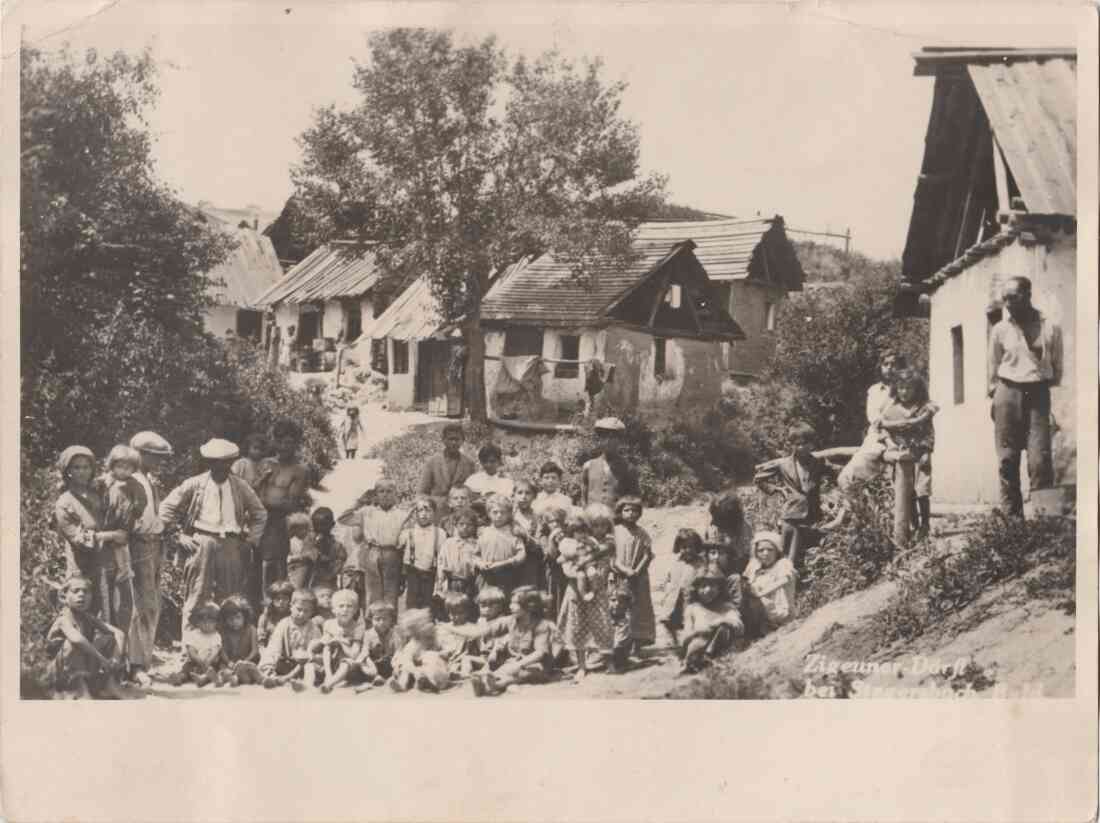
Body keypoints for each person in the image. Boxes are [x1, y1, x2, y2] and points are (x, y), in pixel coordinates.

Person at [160, 438, 267, 628]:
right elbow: (166, 509)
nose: (221, 467)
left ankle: (222, 647)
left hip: (231, 543)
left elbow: (259, 513)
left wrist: (251, 540)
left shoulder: (239, 486)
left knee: (229, 597)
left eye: (226, 462)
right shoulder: (195, 484)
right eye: (216, 462)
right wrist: (178, 535)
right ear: (209, 462)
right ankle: (190, 646)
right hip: (202, 542)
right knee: (197, 593)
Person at [988, 276, 1063, 516]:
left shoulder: (1049, 326)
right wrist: (996, 397)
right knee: (1007, 460)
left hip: (1038, 395)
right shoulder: (1000, 329)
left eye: (1014, 297)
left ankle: (1044, 522)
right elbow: (992, 366)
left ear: (1028, 294)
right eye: (1005, 298)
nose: (1008, 303)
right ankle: (1013, 524)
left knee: (1040, 460)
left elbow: (1057, 366)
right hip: (1007, 393)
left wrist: (1046, 392)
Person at [54, 446, 132, 632]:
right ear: (67, 471)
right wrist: (112, 535)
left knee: (111, 615)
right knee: (83, 618)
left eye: (86, 467)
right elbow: (80, 540)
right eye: (76, 467)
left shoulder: (98, 493)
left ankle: (111, 658)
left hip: (108, 566)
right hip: (83, 570)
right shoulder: (65, 503)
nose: (82, 472)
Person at [127, 430, 173, 687]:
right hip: (139, 545)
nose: (160, 462)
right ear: (141, 454)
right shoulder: (131, 479)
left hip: (154, 545)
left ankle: (143, 659)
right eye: (156, 456)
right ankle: (135, 664)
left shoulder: (148, 480)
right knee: (139, 605)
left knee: (151, 603)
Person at [755, 422, 827, 573]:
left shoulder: (818, 462)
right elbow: (759, 479)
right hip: (791, 516)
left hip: (813, 515)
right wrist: (777, 489)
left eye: (804, 444)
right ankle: (786, 581)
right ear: (791, 445)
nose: (800, 448)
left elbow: (836, 472)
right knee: (789, 559)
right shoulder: (783, 464)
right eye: (797, 444)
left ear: (811, 444)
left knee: (814, 555)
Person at [837, 351, 907, 498]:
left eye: (894, 364)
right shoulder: (875, 390)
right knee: (846, 478)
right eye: (885, 364)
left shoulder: (907, 389)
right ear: (880, 367)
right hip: (877, 439)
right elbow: (874, 418)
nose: (889, 368)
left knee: (904, 487)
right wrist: (886, 437)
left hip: (900, 438)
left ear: (900, 367)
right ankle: (858, 511)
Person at [45, 575, 127, 699]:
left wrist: (115, 659)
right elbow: (77, 640)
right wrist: (103, 660)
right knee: (74, 643)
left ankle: (109, 684)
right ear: (64, 597)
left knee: (109, 639)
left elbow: (119, 633)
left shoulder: (87, 617)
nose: (81, 595)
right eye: (76, 591)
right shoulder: (63, 619)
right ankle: (77, 688)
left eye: (86, 592)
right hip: (58, 673)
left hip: (82, 668)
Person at [557, 505, 614, 683]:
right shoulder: (573, 543)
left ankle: (608, 660)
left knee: (603, 624)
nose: (599, 529)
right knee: (577, 625)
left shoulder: (605, 544)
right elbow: (562, 559)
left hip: (598, 590)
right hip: (576, 589)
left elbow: (603, 560)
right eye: (595, 526)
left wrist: (585, 561)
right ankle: (582, 665)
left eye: (603, 525)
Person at [254, 420, 309, 605]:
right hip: (257, 522)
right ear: (275, 442)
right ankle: (258, 612)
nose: (285, 446)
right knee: (254, 565)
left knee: (273, 566)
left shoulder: (299, 470)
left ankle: (274, 607)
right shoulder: (265, 464)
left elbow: (290, 504)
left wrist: (261, 502)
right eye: (281, 441)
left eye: (290, 442)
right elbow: (250, 491)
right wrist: (262, 480)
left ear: (296, 444)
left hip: (277, 525)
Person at [878, 370, 939, 537]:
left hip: (919, 453)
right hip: (902, 456)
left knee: (922, 490)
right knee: (907, 491)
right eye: (901, 388)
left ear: (917, 389)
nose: (904, 392)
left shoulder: (921, 408)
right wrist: (890, 444)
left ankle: (925, 524)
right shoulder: (892, 411)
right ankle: (914, 524)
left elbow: (928, 432)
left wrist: (927, 450)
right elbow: (881, 429)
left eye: (909, 388)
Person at [466, 587, 557, 696]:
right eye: (511, 603)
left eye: (515, 604)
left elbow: (539, 653)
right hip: (513, 662)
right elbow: (484, 631)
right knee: (506, 669)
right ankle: (490, 684)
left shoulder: (541, 625)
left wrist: (519, 665)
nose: (510, 607)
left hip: (535, 665)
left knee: (518, 672)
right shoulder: (510, 620)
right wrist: (454, 629)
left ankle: (495, 685)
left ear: (528, 607)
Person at [349, 478, 409, 609]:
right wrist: (358, 504)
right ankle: (372, 625)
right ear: (375, 494)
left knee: (390, 593)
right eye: (381, 491)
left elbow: (405, 540)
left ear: (395, 494)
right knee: (372, 593)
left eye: (389, 491)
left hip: (392, 553)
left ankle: (390, 625)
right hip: (373, 552)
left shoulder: (402, 515)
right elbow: (344, 519)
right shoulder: (367, 512)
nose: (385, 494)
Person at [95, 444, 147, 589]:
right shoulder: (108, 479)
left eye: (128, 468)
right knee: (110, 541)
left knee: (121, 542)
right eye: (120, 466)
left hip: (124, 517)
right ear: (112, 465)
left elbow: (141, 499)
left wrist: (136, 510)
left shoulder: (133, 484)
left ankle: (124, 569)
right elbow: (98, 486)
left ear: (133, 469)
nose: (123, 471)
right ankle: (117, 568)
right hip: (109, 515)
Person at [679, 562, 745, 674]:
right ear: (696, 589)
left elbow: (739, 626)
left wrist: (724, 621)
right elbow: (685, 637)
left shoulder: (726, 607)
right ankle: (692, 663)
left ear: (720, 589)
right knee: (698, 642)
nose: (708, 590)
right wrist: (700, 631)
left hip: (722, 647)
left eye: (713, 586)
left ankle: (710, 657)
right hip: (698, 645)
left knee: (723, 628)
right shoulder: (692, 608)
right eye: (703, 586)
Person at [611, 496, 656, 652]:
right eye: (627, 510)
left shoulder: (642, 533)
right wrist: (624, 570)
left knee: (639, 609)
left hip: (639, 577)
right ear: (620, 512)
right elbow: (611, 556)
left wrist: (637, 570)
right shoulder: (615, 531)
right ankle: (621, 644)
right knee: (620, 608)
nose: (631, 513)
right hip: (620, 576)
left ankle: (638, 645)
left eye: (634, 510)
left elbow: (648, 554)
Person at [259, 588, 324, 690]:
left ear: (312, 612)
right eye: (299, 609)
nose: (301, 614)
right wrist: (273, 659)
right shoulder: (284, 624)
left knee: (311, 667)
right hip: (287, 663)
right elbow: (275, 646)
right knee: (269, 656)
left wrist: (311, 655)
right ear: (291, 606)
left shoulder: (313, 628)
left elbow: (319, 649)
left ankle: (305, 684)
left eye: (306, 611)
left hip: (305, 665)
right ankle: (271, 677)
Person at [742, 531, 797, 635]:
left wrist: (760, 594)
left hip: (781, 612)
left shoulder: (783, 563)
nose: (765, 553)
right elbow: (745, 583)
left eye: (770, 549)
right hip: (759, 610)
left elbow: (785, 580)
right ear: (756, 553)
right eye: (761, 550)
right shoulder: (754, 565)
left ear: (777, 551)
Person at [656, 528, 703, 647]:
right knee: (668, 619)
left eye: (691, 547)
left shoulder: (700, 563)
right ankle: (672, 638)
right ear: (678, 547)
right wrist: (664, 588)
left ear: (697, 547)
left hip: (691, 596)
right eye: (684, 547)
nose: (687, 550)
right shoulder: (675, 561)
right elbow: (668, 576)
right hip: (674, 596)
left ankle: (688, 639)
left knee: (688, 619)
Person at [417, 423, 477, 517]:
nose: (453, 443)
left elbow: (472, 493)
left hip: (460, 515)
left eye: (457, 439)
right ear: (444, 440)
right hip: (437, 513)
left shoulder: (469, 464)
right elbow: (422, 493)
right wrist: (436, 503)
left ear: (462, 441)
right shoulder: (432, 462)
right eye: (450, 439)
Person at [474, 494, 526, 601]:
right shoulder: (484, 532)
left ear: (508, 514)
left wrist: (506, 563)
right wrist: (480, 563)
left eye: (503, 512)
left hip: (507, 575)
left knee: (505, 603)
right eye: (495, 512)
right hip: (486, 576)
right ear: (488, 513)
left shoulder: (513, 532)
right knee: (486, 603)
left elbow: (522, 554)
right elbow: (475, 554)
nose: (499, 515)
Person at [580, 417, 639, 508]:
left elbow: (634, 501)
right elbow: (584, 499)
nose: (608, 441)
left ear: (620, 440)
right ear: (599, 440)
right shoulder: (588, 466)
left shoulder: (629, 469)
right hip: (592, 519)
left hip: (617, 520)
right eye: (604, 436)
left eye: (613, 437)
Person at [316, 589, 367, 692]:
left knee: (346, 663)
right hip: (331, 663)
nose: (345, 609)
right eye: (341, 606)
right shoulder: (329, 624)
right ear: (333, 609)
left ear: (355, 609)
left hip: (350, 665)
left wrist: (341, 641)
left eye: (349, 606)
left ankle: (329, 684)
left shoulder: (358, 627)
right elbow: (324, 647)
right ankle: (329, 676)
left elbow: (354, 654)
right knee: (327, 646)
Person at [389, 609, 451, 693]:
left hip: (438, 671)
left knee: (430, 656)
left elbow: (446, 649)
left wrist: (443, 653)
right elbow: (407, 660)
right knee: (405, 668)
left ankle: (431, 683)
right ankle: (402, 685)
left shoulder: (435, 639)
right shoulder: (412, 645)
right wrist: (415, 671)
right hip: (419, 672)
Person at [400, 496, 444, 611]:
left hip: (430, 574)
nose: (423, 514)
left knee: (428, 607)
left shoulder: (440, 533)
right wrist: (406, 517)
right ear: (414, 513)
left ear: (434, 513)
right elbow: (395, 542)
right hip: (413, 574)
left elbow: (441, 558)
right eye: (420, 510)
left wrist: (440, 581)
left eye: (428, 510)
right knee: (412, 607)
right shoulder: (408, 532)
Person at [434, 506, 480, 616]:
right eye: (461, 524)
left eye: (469, 525)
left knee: (468, 609)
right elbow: (441, 562)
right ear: (455, 525)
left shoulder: (476, 544)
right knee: (451, 607)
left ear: (474, 527)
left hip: (469, 583)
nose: (465, 527)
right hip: (452, 582)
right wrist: (440, 580)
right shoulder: (449, 543)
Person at [172, 602, 225, 687]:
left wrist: (208, 660)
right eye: (204, 622)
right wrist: (198, 660)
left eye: (210, 622)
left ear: (216, 623)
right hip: (195, 661)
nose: (207, 624)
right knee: (187, 669)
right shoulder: (193, 634)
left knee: (213, 669)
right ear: (198, 623)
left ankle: (204, 679)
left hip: (210, 662)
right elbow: (191, 650)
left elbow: (216, 650)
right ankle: (179, 678)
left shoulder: (216, 636)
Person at [704, 492, 754, 575]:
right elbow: (709, 551)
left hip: (738, 566)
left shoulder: (744, 527)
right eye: (713, 516)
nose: (713, 521)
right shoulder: (713, 529)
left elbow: (746, 553)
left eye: (717, 518)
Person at [218, 594, 261, 686]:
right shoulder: (224, 632)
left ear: (245, 617)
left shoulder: (251, 629)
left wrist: (245, 661)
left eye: (238, 617)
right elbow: (222, 651)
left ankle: (240, 677)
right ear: (225, 620)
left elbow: (255, 651)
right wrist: (228, 662)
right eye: (230, 619)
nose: (234, 622)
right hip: (231, 662)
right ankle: (235, 677)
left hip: (248, 660)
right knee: (224, 670)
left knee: (251, 670)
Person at [512, 479, 545, 589]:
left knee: (527, 597)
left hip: (530, 564)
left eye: (528, 493)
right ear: (514, 495)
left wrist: (526, 536)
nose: (524, 497)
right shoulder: (509, 515)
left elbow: (540, 545)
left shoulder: (537, 518)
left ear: (534, 496)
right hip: (509, 561)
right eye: (520, 493)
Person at [357, 602, 398, 689]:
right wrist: (363, 661)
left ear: (391, 619)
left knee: (399, 662)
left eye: (385, 619)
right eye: (377, 619)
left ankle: (392, 678)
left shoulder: (394, 634)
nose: (381, 622)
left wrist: (396, 664)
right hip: (374, 663)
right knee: (364, 661)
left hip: (390, 663)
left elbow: (398, 652)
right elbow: (365, 651)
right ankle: (376, 677)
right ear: (371, 620)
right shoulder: (368, 634)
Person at [309, 507, 346, 590]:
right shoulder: (310, 543)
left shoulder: (337, 546)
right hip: (312, 583)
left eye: (323, 524)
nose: (319, 528)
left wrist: (328, 561)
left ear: (332, 524)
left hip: (329, 584)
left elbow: (340, 563)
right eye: (316, 524)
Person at [257, 580, 294, 647]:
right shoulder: (266, 617)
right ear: (272, 600)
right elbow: (261, 640)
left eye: (285, 599)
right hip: (271, 650)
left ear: (290, 600)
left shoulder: (293, 616)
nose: (281, 602)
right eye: (277, 599)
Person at [607, 581, 634, 673]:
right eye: (613, 600)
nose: (617, 604)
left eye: (621, 602)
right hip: (607, 652)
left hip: (617, 651)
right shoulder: (605, 620)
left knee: (618, 648)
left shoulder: (625, 622)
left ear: (627, 604)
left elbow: (617, 644)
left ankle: (618, 664)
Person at [285, 512, 316, 590]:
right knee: (296, 586)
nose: (304, 531)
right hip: (294, 569)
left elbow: (313, 554)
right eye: (301, 528)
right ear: (294, 529)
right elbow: (287, 558)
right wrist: (298, 557)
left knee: (307, 586)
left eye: (306, 528)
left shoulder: (309, 541)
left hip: (307, 569)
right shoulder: (291, 542)